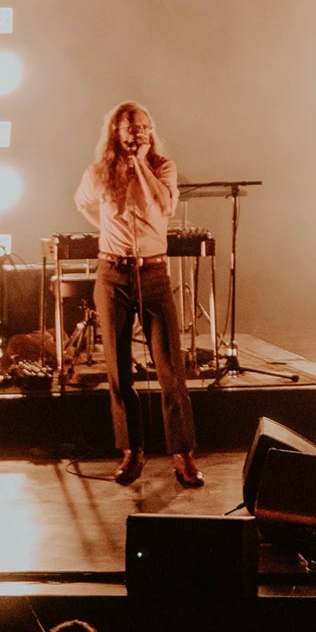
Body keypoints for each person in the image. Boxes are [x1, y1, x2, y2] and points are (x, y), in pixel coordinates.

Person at [73, 101, 202, 488]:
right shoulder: (98, 172)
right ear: (116, 132)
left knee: (171, 370)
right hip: (113, 274)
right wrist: (106, 228)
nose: (138, 133)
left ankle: (182, 454)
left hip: (154, 274)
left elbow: (165, 205)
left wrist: (141, 165)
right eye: (131, 127)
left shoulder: (163, 167)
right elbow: (82, 203)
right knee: (119, 370)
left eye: (144, 126)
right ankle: (132, 451)